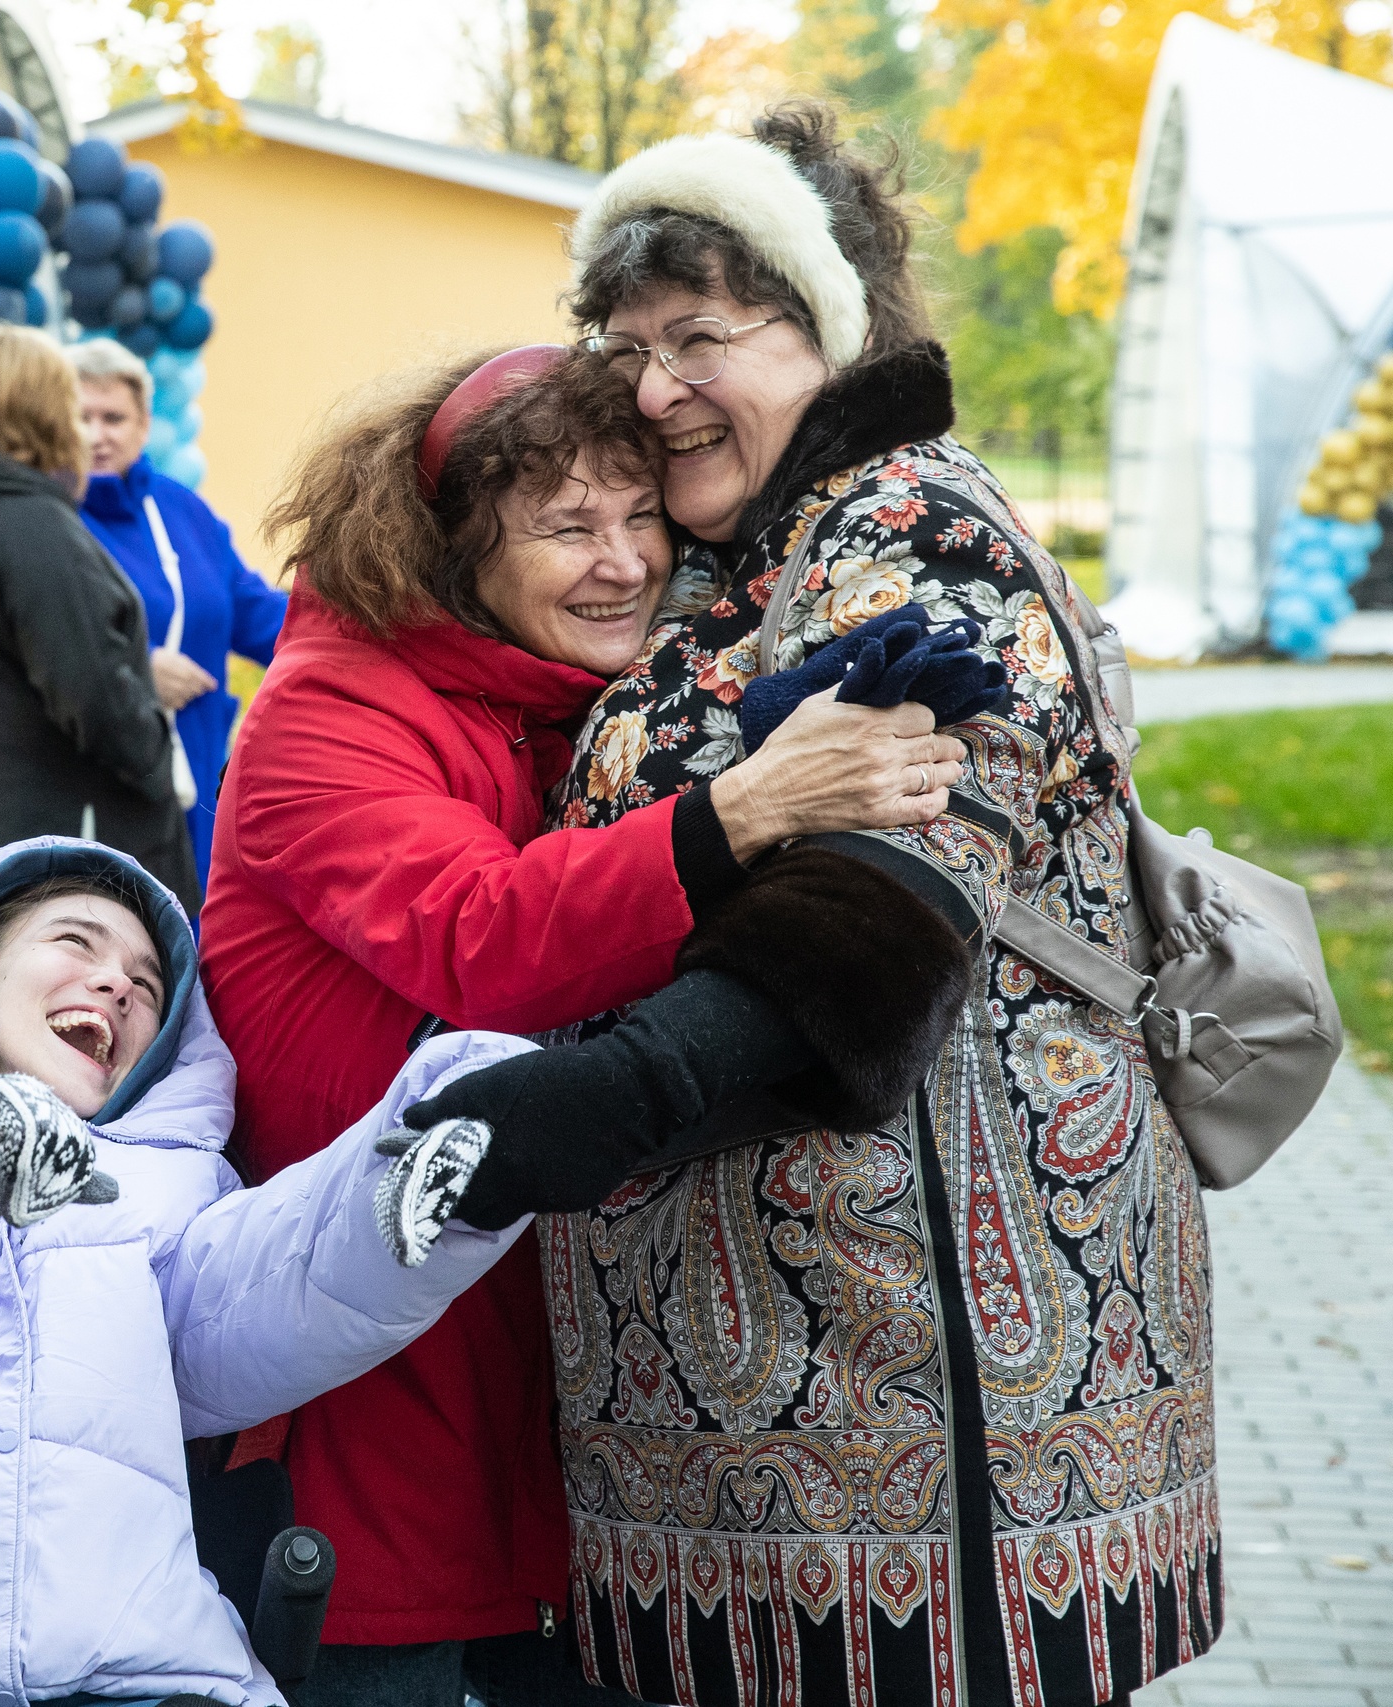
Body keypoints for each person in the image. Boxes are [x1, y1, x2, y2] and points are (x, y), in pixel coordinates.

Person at [0, 833, 915, 1707]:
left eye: (148, 982)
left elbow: (263, 1294)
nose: (114, 987)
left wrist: (456, 1154)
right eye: (74, 943)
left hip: (135, 1676)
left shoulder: (153, 1188)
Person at [537, 104, 1216, 1707]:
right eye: (627, 344)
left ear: (828, 322)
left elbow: (893, 890)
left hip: (927, 1397)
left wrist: (600, 1092)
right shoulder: (725, 560)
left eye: (702, 332)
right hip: (751, 1416)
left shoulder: (911, 524)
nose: (654, 388)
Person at [198, 346, 982, 1707]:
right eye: (568, 527)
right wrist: (743, 805)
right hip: (369, 1397)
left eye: (641, 518)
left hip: (552, 1412)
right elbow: (484, 936)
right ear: (450, 549)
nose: (622, 562)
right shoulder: (326, 711)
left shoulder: (567, 703)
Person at [0, 325, 196, 915]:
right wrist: (159, 757)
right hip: (44, 862)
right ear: (49, 408)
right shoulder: (32, 528)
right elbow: (97, 703)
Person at [71, 340, 286, 887]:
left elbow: (252, 612)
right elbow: (29, 642)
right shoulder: (49, 518)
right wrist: (137, 672)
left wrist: (360, 617)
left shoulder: (183, 510)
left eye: (114, 417)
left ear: (144, 425)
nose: (99, 435)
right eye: (82, 417)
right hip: (102, 784)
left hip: (198, 774)